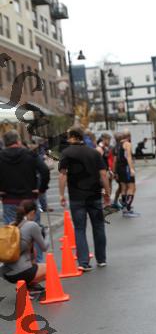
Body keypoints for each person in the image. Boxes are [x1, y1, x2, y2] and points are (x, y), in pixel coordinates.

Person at [59, 127, 111, 270]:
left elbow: (63, 175)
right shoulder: (94, 153)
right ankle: (101, 259)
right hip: (94, 195)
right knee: (98, 226)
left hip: (76, 197)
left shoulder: (66, 153)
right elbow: (103, 174)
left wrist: (61, 194)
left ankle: (83, 262)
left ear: (72, 137)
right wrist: (107, 192)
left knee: (79, 229)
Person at [0, 129, 49, 263]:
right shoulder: (30, 154)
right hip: (29, 198)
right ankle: (37, 262)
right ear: (18, 141)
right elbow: (44, 170)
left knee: (12, 232)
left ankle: (15, 262)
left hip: (9, 199)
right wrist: (41, 189)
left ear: (5, 143)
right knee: (34, 230)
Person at [1, 199, 48, 296]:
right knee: (50, 269)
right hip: (21, 272)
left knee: (32, 259)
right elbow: (44, 247)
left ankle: (28, 287)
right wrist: (46, 234)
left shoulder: (12, 224)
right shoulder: (32, 225)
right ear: (32, 212)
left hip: (6, 273)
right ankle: (25, 287)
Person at [114, 130, 139, 217]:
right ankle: (127, 209)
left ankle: (125, 210)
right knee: (132, 188)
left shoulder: (118, 145)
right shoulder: (127, 144)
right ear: (129, 136)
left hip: (120, 168)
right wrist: (131, 169)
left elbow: (116, 159)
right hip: (126, 168)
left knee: (123, 188)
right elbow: (128, 157)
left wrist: (116, 172)